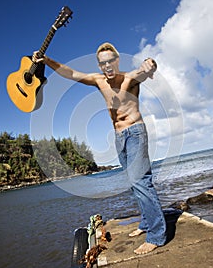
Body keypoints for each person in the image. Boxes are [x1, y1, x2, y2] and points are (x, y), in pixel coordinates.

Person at [32, 42, 167, 254]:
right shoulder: (98, 80)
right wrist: (47, 60)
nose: (108, 66)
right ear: (100, 65)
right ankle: (146, 223)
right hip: (119, 136)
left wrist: (151, 64)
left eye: (111, 61)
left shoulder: (130, 78)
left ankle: (157, 236)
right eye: (103, 63)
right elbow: (71, 73)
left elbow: (147, 69)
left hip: (135, 132)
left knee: (142, 182)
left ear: (117, 60)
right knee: (133, 184)